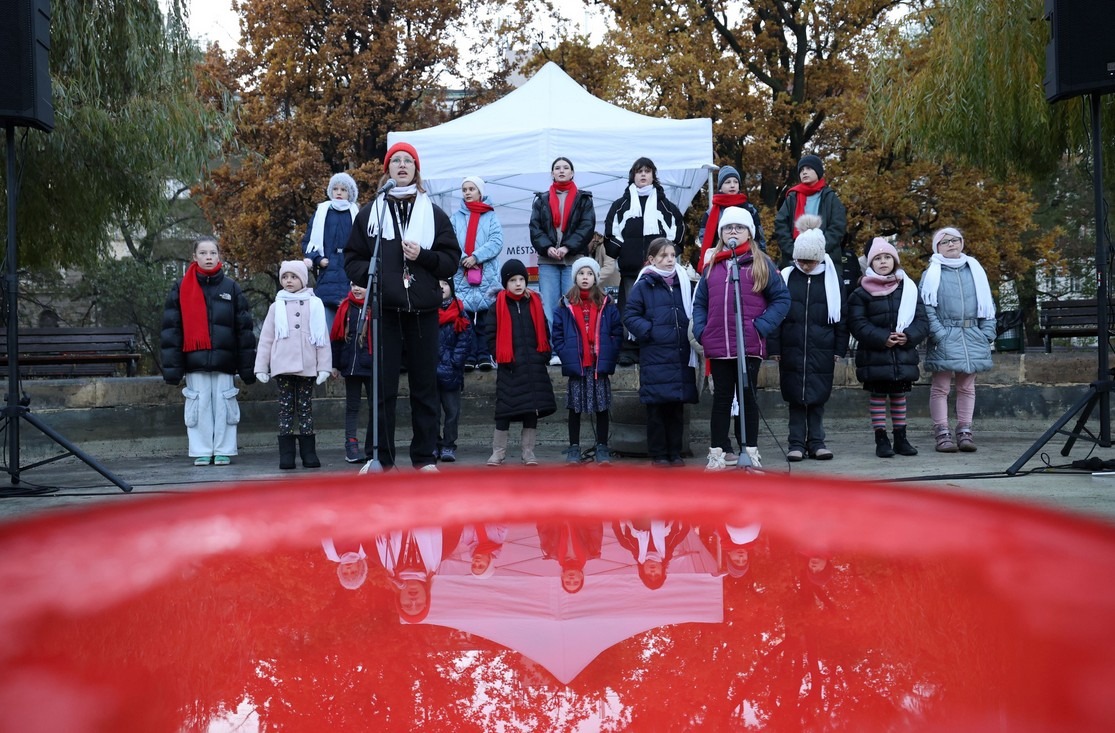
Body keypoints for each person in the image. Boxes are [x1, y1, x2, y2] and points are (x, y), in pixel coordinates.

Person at [344, 142, 462, 472]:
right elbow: (352, 259)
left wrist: (423, 256)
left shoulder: (434, 214)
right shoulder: (372, 213)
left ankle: (424, 458)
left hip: (424, 312)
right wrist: (379, 276)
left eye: (408, 161)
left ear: (416, 169)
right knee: (382, 390)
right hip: (386, 312)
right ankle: (379, 459)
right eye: (395, 160)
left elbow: (451, 261)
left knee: (425, 388)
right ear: (387, 170)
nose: (401, 165)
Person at [693, 207, 790, 470]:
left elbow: (781, 299)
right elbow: (700, 303)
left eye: (739, 227)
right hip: (719, 345)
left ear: (749, 232)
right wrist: (702, 330)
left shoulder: (760, 263)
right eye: (728, 227)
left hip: (748, 344)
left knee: (747, 398)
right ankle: (717, 453)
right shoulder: (712, 266)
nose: (733, 231)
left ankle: (750, 452)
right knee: (721, 399)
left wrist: (761, 327)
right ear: (721, 233)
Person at [160, 237, 257, 466]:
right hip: (194, 360)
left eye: (212, 253)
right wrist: (173, 369)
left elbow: (244, 330)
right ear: (194, 257)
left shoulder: (231, 287)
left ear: (219, 256)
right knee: (199, 405)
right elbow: (172, 329)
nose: (208, 257)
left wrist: (247, 367)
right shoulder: (181, 287)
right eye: (203, 253)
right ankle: (201, 450)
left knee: (224, 405)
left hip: (225, 360)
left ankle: (224, 449)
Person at [769, 215, 849, 461]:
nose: (805, 266)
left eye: (810, 261)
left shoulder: (832, 280)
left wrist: (839, 348)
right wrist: (774, 346)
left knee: (817, 397)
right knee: (795, 397)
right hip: (791, 348)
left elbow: (841, 316)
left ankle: (816, 442)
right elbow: (775, 313)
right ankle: (796, 443)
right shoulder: (786, 277)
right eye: (801, 260)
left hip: (822, 348)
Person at [847, 237, 930, 458]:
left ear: (895, 261)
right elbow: (857, 323)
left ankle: (901, 438)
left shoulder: (908, 288)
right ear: (870, 263)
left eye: (887, 257)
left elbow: (922, 321)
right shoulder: (861, 292)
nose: (883, 262)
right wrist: (882, 337)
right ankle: (881, 439)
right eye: (878, 258)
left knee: (899, 395)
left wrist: (908, 336)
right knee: (877, 396)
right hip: (874, 354)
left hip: (902, 354)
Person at [622, 238, 700, 467]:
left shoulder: (684, 283)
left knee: (676, 407)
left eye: (672, 255)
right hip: (655, 355)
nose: (669, 260)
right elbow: (630, 315)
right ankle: (658, 454)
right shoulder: (644, 284)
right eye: (664, 256)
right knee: (656, 408)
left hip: (679, 355)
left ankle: (675, 452)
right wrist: (650, 331)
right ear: (652, 259)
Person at [919, 227, 996, 453]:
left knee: (967, 387)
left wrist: (987, 334)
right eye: (945, 242)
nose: (951, 244)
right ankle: (942, 433)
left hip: (972, 334)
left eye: (955, 240)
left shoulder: (976, 270)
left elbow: (988, 305)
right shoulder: (931, 273)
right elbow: (926, 307)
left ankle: (965, 431)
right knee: (941, 387)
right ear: (937, 248)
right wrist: (939, 333)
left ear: (962, 242)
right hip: (945, 334)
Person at [605, 157, 687, 366]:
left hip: (659, 271)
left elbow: (677, 234)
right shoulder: (621, 205)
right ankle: (629, 349)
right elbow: (611, 233)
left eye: (647, 171)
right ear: (633, 175)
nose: (643, 175)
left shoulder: (666, 207)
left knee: (657, 309)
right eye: (639, 171)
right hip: (631, 270)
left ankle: (654, 346)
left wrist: (667, 256)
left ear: (653, 175)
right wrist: (622, 252)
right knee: (629, 310)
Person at [254, 260, 333, 469]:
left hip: (307, 366)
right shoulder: (276, 306)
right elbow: (266, 339)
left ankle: (309, 453)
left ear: (303, 280)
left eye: (294, 277)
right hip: (282, 366)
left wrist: (324, 366)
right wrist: (261, 367)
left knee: (305, 408)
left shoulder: (314, 304)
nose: (289, 281)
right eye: (285, 277)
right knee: (286, 409)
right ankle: (287, 454)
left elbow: (322, 338)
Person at [550, 256, 622, 464]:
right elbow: (558, 335)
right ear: (575, 277)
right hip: (578, 364)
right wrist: (566, 354)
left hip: (599, 364)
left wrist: (610, 351)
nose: (585, 277)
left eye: (590, 274)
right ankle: (574, 446)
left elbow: (616, 331)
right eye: (581, 273)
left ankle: (602, 446)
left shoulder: (606, 303)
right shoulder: (565, 304)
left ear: (596, 278)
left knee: (602, 407)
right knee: (575, 408)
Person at [486, 259, 556, 466]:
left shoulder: (535, 303)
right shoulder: (497, 306)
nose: (518, 284)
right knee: (504, 412)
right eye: (513, 280)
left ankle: (528, 453)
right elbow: (490, 334)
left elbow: (545, 331)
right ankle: (498, 453)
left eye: (521, 279)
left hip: (534, 367)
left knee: (531, 411)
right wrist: (500, 356)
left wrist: (543, 356)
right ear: (505, 283)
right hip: (510, 367)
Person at [529, 157, 597, 342]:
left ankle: (572, 346)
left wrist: (567, 247)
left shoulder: (583, 199)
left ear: (572, 173)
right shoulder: (541, 199)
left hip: (573, 261)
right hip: (548, 261)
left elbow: (587, 226)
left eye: (565, 168)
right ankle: (554, 347)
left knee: (572, 304)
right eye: (557, 168)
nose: (561, 170)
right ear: (552, 173)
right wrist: (548, 247)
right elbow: (535, 228)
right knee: (549, 307)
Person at [451, 175, 503, 371]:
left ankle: (484, 355)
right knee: (465, 319)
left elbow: (496, 241)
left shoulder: (491, 216)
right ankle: (469, 356)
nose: (467, 193)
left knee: (485, 319)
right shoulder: (455, 218)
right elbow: (449, 242)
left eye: (471, 189)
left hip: (486, 274)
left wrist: (476, 257)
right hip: (462, 275)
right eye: (464, 189)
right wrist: (464, 258)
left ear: (480, 192)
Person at [301, 172, 359, 330]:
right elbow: (307, 243)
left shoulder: (356, 214)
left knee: (349, 329)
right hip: (327, 276)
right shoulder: (321, 212)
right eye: (335, 189)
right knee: (327, 329)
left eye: (343, 189)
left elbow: (362, 245)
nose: (339, 192)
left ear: (350, 193)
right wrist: (318, 259)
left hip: (349, 276)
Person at [774, 154, 847, 270]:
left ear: (818, 171)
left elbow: (838, 226)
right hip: (794, 260)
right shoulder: (792, 198)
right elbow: (781, 225)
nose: (804, 172)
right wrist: (793, 250)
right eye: (801, 170)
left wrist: (820, 248)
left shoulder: (830, 197)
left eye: (809, 168)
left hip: (825, 260)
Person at [329, 281, 374, 463]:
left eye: (361, 285)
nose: (356, 289)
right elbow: (336, 339)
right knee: (352, 407)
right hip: (351, 366)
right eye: (353, 285)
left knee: (375, 406)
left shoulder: (376, 308)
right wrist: (334, 365)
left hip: (371, 366)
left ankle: (373, 444)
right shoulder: (345, 308)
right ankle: (351, 444)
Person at [696, 165, 766, 271]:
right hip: (720, 260)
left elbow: (759, 236)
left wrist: (762, 255)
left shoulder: (750, 210)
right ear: (720, 186)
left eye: (735, 182)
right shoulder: (711, 213)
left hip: (748, 259)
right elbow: (704, 237)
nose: (732, 185)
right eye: (728, 182)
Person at [436, 278, 473, 463]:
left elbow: (465, 340)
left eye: (445, 284)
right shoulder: (427, 311)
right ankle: (433, 443)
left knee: (452, 412)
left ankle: (448, 444)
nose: (441, 287)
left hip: (451, 371)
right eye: (437, 284)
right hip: (431, 369)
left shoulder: (460, 312)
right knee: (432, 411)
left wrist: (454, 362)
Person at [612, 519, 691, 590]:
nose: (653, 572)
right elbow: (685, 521)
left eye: (649, 575)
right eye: (657, 575)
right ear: (663, 571)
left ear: (642, 572)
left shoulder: (627, 543)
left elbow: (617, 519)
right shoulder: (672, 542)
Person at [537, 521, 603, 594]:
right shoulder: (593, 550)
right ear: (581, 576)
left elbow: (542, 526)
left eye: (567, 582)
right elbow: (595, 525)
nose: (571, 579)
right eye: (576, 582)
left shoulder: (550, 550)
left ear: (562, 576)